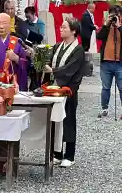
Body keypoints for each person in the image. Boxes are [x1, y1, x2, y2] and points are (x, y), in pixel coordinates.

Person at [44, 17, 85, 168]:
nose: (61, 29)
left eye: (65, 28)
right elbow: (49, 62)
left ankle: (69, 155)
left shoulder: (78, 50)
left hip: (69, 90)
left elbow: (70, 70)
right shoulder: (57, 46)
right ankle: (57, 153)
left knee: (68, 121)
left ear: (74, 31)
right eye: (61, 27)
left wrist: (53, 70)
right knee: (56, 121)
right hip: (55, 90)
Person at [96, 5, 122, 118]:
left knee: (121, 88)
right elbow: (99, 36)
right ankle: (104, 109)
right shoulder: (107, 26)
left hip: (120, 63)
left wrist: (119, 26)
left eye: (117, 15)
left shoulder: (120, 26)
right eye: (112, 15)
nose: (114, 17)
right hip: (106, 62)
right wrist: (106, 24)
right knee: (106, 87)